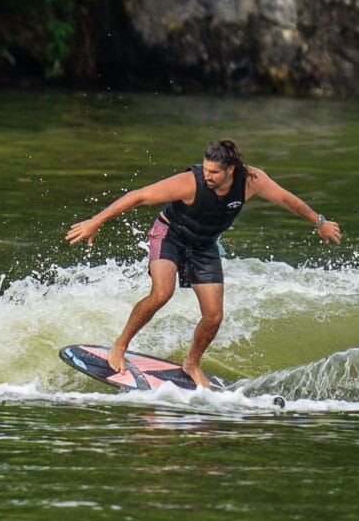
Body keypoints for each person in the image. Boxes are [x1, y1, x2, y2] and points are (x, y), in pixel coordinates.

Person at [65, 138, 342, 389]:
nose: (206, 175)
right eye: (205, 169)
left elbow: (286, 200)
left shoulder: (252, 181)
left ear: (230, 170)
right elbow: (139, 196)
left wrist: (319, 223)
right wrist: (96, 221)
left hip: (204, 245)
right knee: (162, 292)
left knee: (214, 316)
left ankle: (191, 363)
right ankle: (120, 345)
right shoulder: (190, 182)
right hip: (170, 235)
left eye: (213, 172)